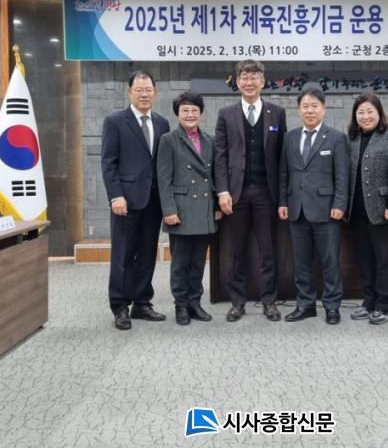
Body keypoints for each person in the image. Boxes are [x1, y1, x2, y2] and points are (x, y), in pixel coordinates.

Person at [214, 59, 286, 322]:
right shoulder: (226, 114)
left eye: (254, 77)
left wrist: (283, 197)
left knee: (268, 250)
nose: (249, 82)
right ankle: (237, 302)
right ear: (237, 82)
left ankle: (269, 301)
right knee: (237, 250)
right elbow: (220, 156)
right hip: (236, 194)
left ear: (262, 81)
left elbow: (282, 158)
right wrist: (222, 191)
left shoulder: (277, 113)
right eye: (244, 77)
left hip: (267, 193)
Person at [101, 70, 170, 330]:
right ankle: (120, 306)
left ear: (155, 92)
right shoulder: (115, 121)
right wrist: (115, 195)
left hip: (153, 201)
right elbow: (108, 162)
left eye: (148, 90)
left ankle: (142, 303)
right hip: (125, 202)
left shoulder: (162, 123)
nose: (144, 94)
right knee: (123, 255)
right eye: (138, 90)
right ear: (129, 92)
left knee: (147, 254)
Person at [278, 87, 349, 325]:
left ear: (323, 109)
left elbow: (342, 176)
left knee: (330, 261)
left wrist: (340, 203)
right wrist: (283, 201)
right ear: (299, 110)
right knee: (301, 261)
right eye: (305, 106)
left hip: (327, 209)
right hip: (296, 209)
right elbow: (284, 173)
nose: (310, 110)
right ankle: (305, 304)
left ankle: (332, 306)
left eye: (314, 106)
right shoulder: (290, 137)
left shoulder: (336, 138)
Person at [157, 91, 222, 325]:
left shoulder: (209, 140)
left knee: (198, 262)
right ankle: (181, 305)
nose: (190, 114)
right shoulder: (168, 140)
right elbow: (163, 179)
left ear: (201, 114)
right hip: (181, 211)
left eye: (194, 110)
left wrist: (217, 205)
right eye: (185, 110)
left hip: (204, 209)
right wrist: (169, 210)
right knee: (180, 263)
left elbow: (214, 176)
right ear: (178, 113)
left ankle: (195, 303)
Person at [346, 93, 388, 325]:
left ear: (379, 113)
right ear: (355, 116)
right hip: (357, 210)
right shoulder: (351, 139)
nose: (365, 116)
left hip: (383, 209)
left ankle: (383, 306)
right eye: (360, 112)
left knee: (384, 259)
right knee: (364, 259)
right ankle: (368, 301)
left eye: (370, 111)